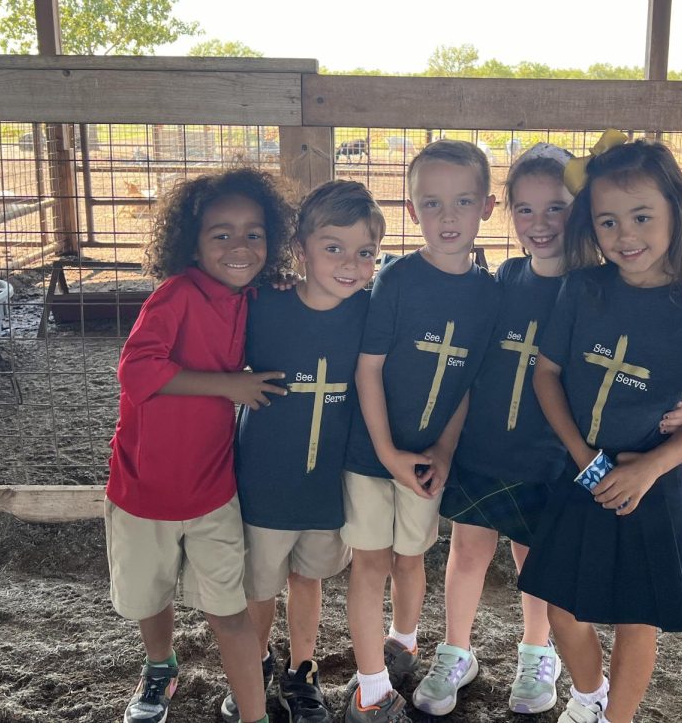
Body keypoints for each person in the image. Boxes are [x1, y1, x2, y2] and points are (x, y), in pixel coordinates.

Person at [419, 144, 682, 717]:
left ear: (582, 209)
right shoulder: (504, 279)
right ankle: (457, 649)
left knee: (535, 560)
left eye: (557, 208)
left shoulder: (596, 289)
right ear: (508, 212)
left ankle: (536, 652)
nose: (540, 223)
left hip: (555, 458)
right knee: (468, 548)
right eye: (526, 209)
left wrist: (679, 403)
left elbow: (641, 354)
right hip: (488, 445)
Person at [517, 133, 682, 723]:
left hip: (651, 485)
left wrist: (651, 467)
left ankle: (619, 716)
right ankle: (588, 697)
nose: (625, 235)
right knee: (562, 607)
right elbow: (547, 375)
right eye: (608, 221)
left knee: (637, 617)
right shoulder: (581, 290)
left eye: (641, 216)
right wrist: (585, 458)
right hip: (581, 475)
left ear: (676, 212)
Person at [106, 169, 296, 723]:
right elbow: (136, 369)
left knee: (230, 612)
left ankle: (254, 715)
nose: (240, 247)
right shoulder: (176, 296)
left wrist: (284, 288)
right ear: (191, 243)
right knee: (151, 596)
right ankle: (160, 668)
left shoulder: (252, 296)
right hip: (143, 487)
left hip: (213, 491)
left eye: (254, 234)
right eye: (222, 234)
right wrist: (229, 384)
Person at [343, 139, 502, 722]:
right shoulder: (397, 279)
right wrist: (387, 451)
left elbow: (468, 385)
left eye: (463, 201)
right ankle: (370, 685)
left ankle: (403, 643)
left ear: (487, 206)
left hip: (428, 463)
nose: (448, 216)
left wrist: (441, 448)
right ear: (412, 212)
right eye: (431, 204)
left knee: (412, 559)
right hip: (370, 453)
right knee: (370, 561)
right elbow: (369, 368)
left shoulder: (490, 295)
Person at [221, 181, 386, 723]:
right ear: (300, 250)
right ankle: (255, 666)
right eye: (333, 248)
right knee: (260, 587)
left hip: (325, 486)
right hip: (266, 482)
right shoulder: (264, 307)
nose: (350, 264)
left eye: (365, 253)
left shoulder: (369, 313)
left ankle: (303, 669)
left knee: (308, 579)